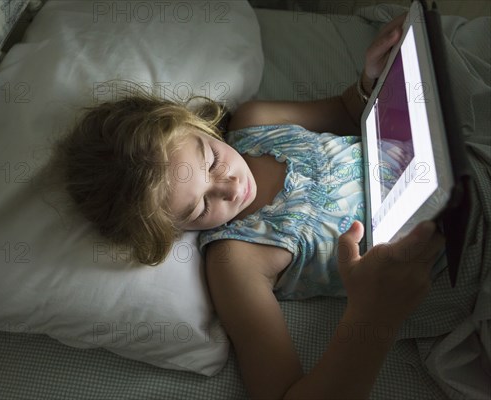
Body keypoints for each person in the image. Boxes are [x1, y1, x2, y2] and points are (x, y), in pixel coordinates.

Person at [50, 13, 446, 399]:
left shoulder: (258, 123)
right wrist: (374, 316)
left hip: (453, 166)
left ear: (194, 125)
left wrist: (371, 79)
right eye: (199, 207)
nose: (228, 187)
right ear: (172, 232)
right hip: (448, 266)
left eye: (209, 160)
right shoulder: (236, 261)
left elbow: (345, 112)